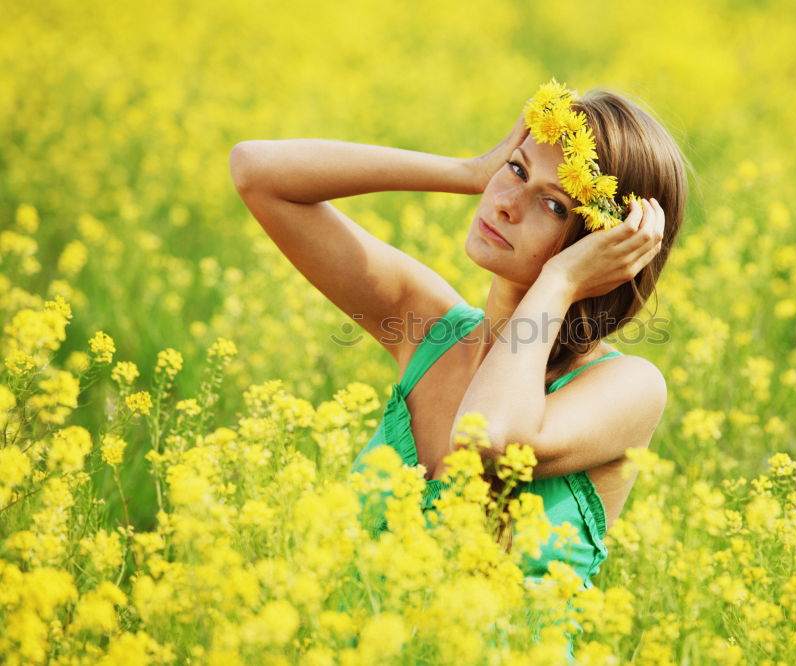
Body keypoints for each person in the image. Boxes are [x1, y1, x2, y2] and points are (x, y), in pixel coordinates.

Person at [229, 81, 689, 592]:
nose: (508, 203)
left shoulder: (630, 387)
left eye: (555, 205)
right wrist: (468, 171)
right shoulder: (430, 327)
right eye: (516, 169)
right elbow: (255, 171)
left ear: (609, 245)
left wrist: (560, 282)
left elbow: (488, 437)